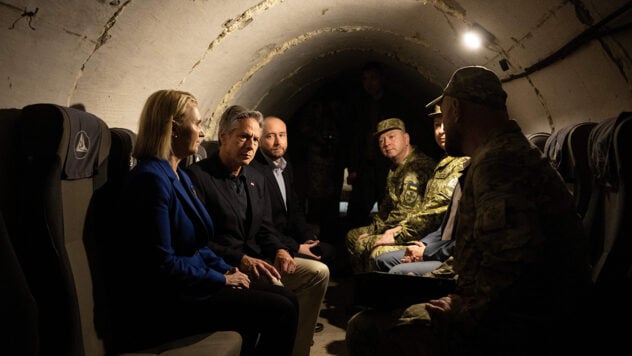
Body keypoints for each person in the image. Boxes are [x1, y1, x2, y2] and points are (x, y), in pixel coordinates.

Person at [346, 66, 593, 355]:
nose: (441, 128)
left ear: (456, 110)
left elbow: (511, 274)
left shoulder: (500, 164)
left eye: (444, 116)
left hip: (526, 326)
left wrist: (460, 308)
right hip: (516, 309)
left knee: (364, 329)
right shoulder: (498, 154)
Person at [109, 90, 298, 355]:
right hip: (173, 300)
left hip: (195, 283)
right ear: (172, 129)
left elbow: (198, 246)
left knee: (286, 298)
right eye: (197, 124)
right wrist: (220, 279)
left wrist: (226, 270)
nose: (201, 132)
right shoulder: (150, 180)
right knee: (282, 309)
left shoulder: (178, 176)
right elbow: (161, 264)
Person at [186, 105, 329, 356]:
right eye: (243, 136)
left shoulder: (255, 177)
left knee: (318, 273)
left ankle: (298, 348)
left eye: (254, 138)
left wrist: (281, 250)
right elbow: (199, 241)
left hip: (258, 258)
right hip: (227, 265)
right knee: (281, 296)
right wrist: (241, 260)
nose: (250, 144)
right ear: (223, 137)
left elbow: (265, 228)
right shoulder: (199, 177)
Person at [373, 105, 469, 275]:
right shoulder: (445, 161)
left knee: (380, 255)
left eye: (445, 124)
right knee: (379, 257)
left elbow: (434, 212)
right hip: (436, 239)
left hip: (454, 251)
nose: (441, 131)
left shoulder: (464, 163)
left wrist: (400, 236)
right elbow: (444, 223)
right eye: (436, 125)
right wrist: (424, 245)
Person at [345, 117, 436, 273]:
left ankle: (371, 287)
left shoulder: (417, 167)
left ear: (406, 139)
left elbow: (404, 213)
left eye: (392, 137)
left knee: (363, 243)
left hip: (412, 230)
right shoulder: (396, 167)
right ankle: (363, 281)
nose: (386, 143)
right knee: (353, 236)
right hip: (393, 226)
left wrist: (374, 232)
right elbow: (386, 207)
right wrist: (374, 227)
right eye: (381, 141)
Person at [251, 115, 337, 275]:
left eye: (282, 135)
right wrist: (297, 247)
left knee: (330, 251)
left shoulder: (284, 164)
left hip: (290, 239)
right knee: (319, 265)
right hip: (271, 245)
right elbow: (262, 226)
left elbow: (295, 208)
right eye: (270, 136)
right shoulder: (254, 171)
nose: (278, 142)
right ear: (259, 139)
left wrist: (308, 237)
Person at [345, 61, 415, 228]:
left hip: (386, 166)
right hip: (365, 165)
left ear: (382, 79)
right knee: (358, 210)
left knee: (387, 206)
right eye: (365, 79)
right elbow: (354, 137)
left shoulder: (395, 103)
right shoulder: (360, 105)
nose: (369, 83)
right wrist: (353, 166)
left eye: (373, 78)